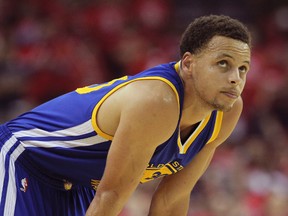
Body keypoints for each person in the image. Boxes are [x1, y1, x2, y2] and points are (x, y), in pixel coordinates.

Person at [0, 14, 251, 216]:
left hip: (78, 184)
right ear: (188, 64)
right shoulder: (157, 101)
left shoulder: (227, 110)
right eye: (223, 64)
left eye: (243, 69)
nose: (235, 78)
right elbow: (111, 196)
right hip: (25, 158)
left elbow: (171, 201)